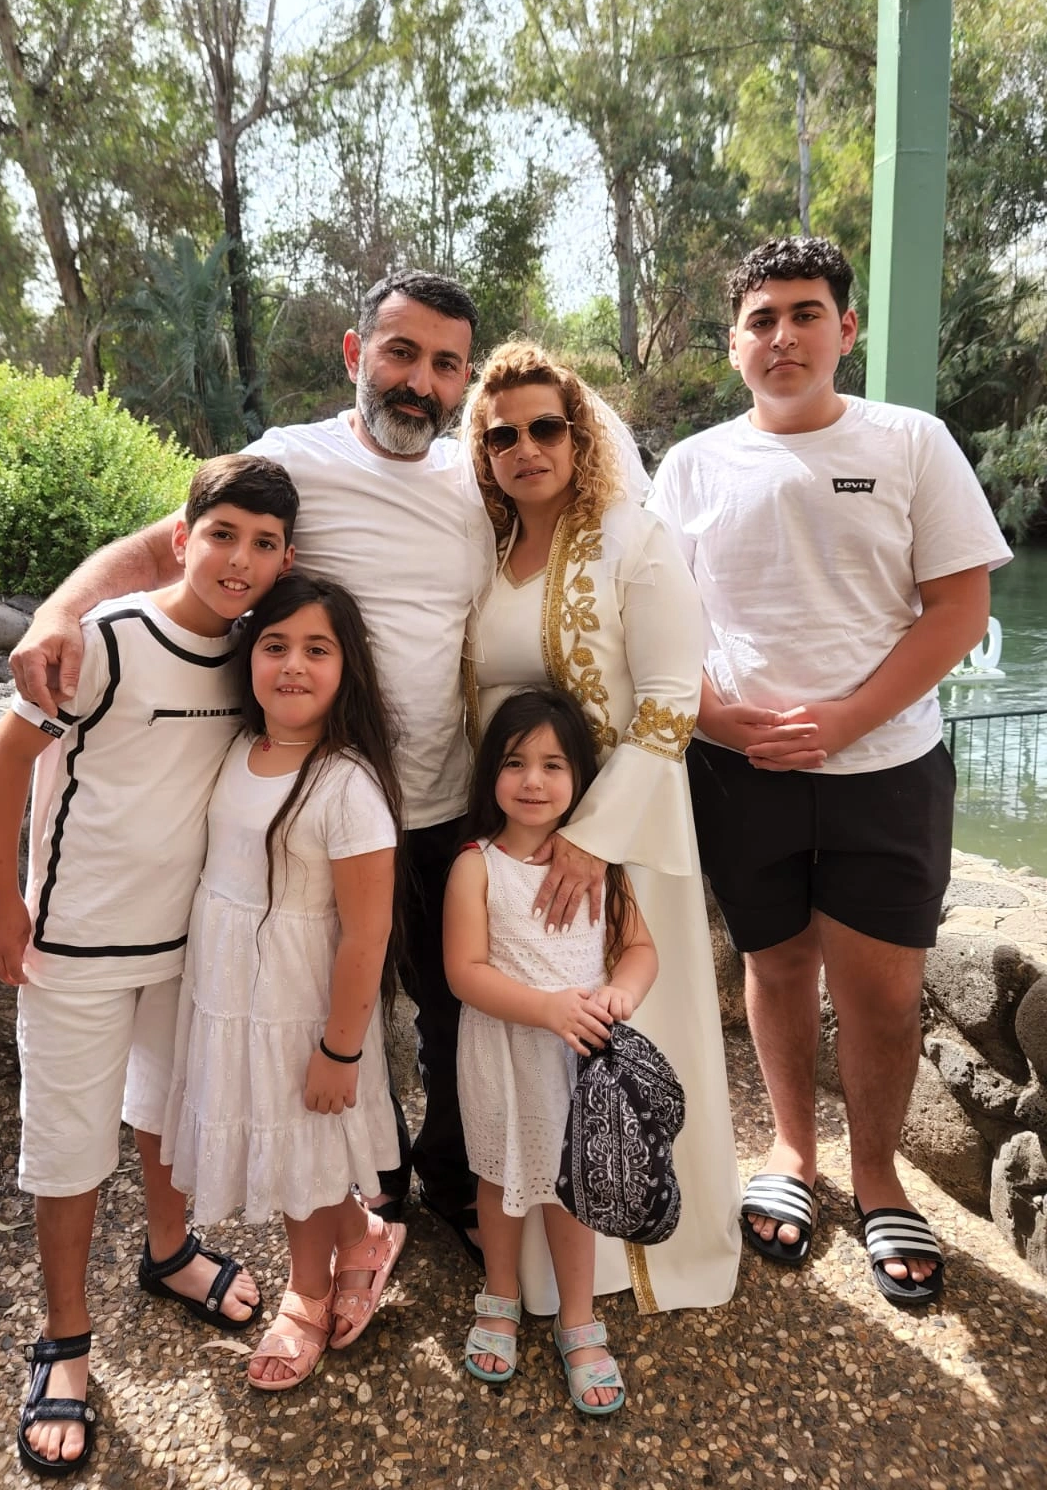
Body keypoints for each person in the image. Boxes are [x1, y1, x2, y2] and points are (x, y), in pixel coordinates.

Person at [8, 271, 594, 1265]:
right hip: (314, 799)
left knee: (453, 1007)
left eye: (446, 365)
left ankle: (457, 1179)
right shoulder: (293, 460)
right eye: (400, 353)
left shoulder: (478, 480)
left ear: (464, 382)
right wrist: (61, 609)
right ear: (354, 352)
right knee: (317, 1001)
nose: (419, 381)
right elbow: (170, 548)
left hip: (443, 798)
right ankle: (362, 1184)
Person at [649, 236, 1013, 1306]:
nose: (784, 335)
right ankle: (796, 1155)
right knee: (774, 966)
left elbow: (959, 607)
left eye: (806, 313)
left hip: (888, 769)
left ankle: (877, 1174)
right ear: (733, 344)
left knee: (886, 992)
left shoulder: (912, 443)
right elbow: (662, 619)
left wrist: (848, 718)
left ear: (846, 330)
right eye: (761, 319)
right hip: (741, 769)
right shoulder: (693, 466)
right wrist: (716, 714)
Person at [0, 455, 298, 1475]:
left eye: (264, 543)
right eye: (223, 534)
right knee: (70, 1144)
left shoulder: (253, 655)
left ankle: (170, 1251)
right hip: (73, 943)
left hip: (186, 942)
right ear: (182, 533)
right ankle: (64, 1338)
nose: (240, 560)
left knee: (166, 1114)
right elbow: (6, 760)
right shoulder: (105, 639)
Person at [461, 340, 742, 1318]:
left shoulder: (634, 537)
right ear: (484, 451)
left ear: (578, 437)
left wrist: (597, 838)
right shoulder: (492, 557)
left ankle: (641, 1255)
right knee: (531, 1055)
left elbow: (669, 700)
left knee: (623, 1038)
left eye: (546, 427)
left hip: (615, 841)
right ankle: (538, 1264)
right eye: (503, 435)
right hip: (519, 838)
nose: (526, 447)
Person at [161, 573, 407, 1390]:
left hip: (304, 1008)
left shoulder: (347, 785)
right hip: (233, 994)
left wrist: (340, 1050)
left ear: (347, 668)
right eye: (275, 646)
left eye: (316, 650)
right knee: (286, 1138)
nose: (292, 666)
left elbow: (366, 934)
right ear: (250, 657)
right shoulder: (238, 749)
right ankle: (366, 1238)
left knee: (299, 1149)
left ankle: (305, 1292)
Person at [445, 688, 659, 1415]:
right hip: (503, 1053)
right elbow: (464, 972)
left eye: (553, 765)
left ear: (580, 779)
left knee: (575, 1195)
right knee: (499, 1184)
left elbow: (637, 950)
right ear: (491, 776)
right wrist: (545, 1007)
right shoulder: (476, 864)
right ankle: (499, 1298)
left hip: (581, 1065)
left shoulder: (603, 866)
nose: (533, 781)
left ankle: (578, 1318)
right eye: (514, 763)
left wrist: (620, 997)